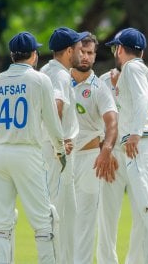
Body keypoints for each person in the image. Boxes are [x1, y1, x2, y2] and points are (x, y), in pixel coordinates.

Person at [0, 32, 66, 263]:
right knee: (44, 221)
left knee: (0, 223)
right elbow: (52, 120)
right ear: (34, 55)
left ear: (12, 55)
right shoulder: (40, 80)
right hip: (27, 152)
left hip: (0, 152)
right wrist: (60, 149)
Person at [104, 27, 148, 264]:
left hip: (141, 141)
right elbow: (136, 100)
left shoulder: (131, 67)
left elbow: (141, 99)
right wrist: (118, 86)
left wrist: (135, 134)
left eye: (115, 48)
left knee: (147, 202)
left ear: (120, 49)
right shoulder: (141, 70)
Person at [39, 26, 88, 264]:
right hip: (57, 153)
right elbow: (56, 106)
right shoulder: (59, 74)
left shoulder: (46, 70)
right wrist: (58, 141)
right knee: (56, 213)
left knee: (68, 215)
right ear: (69, 50)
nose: (83, 51)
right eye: (79, 47)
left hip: (53, 151)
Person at [70, 33, 119, 264]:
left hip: (89, 158)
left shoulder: (99, 87)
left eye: (91, 53)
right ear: (73, 51)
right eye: (83, 51)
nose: (86, 57)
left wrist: (106, 150)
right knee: (59, 218)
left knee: (86, 221)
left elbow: (111, 122)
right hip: (62, 158)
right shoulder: (58, 80)